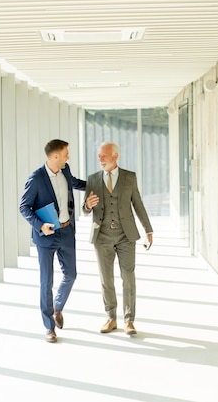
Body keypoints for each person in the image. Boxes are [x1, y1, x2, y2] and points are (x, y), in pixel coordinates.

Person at [82, 141, 153, 335]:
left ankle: (129, 320)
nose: (100, 159)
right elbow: (84, 209)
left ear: (116, 156)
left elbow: (138, 204)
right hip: (101, 236)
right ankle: (111, 318)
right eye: (99, 156)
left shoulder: (129, 177)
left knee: (128, 277)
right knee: (106, 279)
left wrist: (148, 229)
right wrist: (87, 205)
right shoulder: (93, 179)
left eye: (104, 155)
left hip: (125, 235)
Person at [19, 139, 86, 343]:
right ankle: (49, 326)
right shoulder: (36, 179)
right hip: (46, 236)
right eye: (66, 153)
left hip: (66, 232)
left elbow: (74, 182)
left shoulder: (65, 170)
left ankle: (57, 306)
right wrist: (41, 226)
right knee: (46, 281)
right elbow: (24, 208)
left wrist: (98, 184)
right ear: (55, 156)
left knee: (71, 274)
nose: (68, 157)